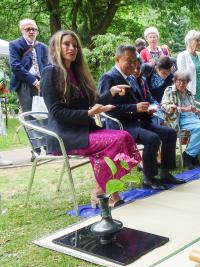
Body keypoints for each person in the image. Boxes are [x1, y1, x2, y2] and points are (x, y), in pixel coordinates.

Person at [41, 30, 142, 208]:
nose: (72, 48)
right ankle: (109, 193)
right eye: (67, 44)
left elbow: (94, 102)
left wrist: (111, 93)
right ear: (57, 46)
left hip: (86, 131)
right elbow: (57, 112)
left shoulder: (77, 73)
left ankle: (100, 191)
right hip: (66, 135)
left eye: (75, 45)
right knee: (116, 140)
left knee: (124, 136)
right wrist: (88, 113)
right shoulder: (50, 73)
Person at [98, 45, 185, 190]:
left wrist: (146, 110)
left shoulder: (130, 77)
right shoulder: (109, 77)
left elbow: (137, 101)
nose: (133, 65)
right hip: (123, 126)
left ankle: (165, 173)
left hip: (139, 121)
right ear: (117, 59)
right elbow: (105, 108)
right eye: (129, 61)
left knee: (169, 133)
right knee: (152, 138)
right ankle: (148, 179)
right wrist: (135, 108)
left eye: (134, 61)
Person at [9, 19, 48, 159]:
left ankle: (48, 146)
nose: (31, 31)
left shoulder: (43, 47)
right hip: (25, 84)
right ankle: (36, 150)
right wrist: (33, 80)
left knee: (45, 114)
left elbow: (48, 65)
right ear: (22, 31)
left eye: (34, 29)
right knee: (29, 116)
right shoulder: (15, 45)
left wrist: (44, 80)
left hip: (43, 84)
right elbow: (15, 66)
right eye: (28, 29)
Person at [161, 70, 200, 169]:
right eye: (179, 81)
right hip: (178, 119)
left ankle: (193, 154)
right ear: (175, 80)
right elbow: (164, 106)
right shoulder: (169, 90)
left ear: (188, 82)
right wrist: (183, 109)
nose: (182, 83)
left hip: (192, 118)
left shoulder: (189, 93)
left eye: (185, 81)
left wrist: (197, 111)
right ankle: (189, 155)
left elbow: (192, 108)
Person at [177, 30, 200, 115]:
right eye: (197, 40)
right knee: (195, 114)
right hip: (191, 91)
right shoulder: (182, 56)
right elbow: (182, 76)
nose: (199, 42)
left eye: (199, 40)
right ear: (189, 41)